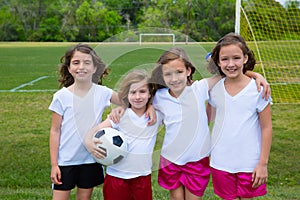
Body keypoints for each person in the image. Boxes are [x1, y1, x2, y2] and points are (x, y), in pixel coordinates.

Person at [149, 46, 270, 200]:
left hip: (197, 161)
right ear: (162, 76)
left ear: (188, 71)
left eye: (179, 72)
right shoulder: (159, 96)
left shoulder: (199, 88)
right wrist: (149, 107)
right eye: (168, 74)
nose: (174, 78)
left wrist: (256, 75)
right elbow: (136, 101)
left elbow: (231, 72)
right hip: (170, 159)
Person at [49, 43, 123, 200]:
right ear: (69, 68)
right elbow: (55, 131)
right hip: (66, 161)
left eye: (87, 62)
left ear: (95, 68)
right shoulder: (61, 97)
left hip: (91, 158)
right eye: (76, 62)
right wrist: (55, 164)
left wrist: (119, 109)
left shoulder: (103, 93)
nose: (81, 67)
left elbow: (129, 102)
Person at [207, 33, 273, 199]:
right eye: (225, 59)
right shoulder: (214, 89)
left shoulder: (258, 90)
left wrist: (262, 163)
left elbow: (267, 128)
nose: (231, 64)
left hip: (249, 163)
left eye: (236, 58)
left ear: (245, 58)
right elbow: (206, 119)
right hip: (220, 161)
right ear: (218, 61)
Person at [84, 69, 163, 200]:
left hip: (142, 176)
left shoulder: (156, 116)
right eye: (133, 92)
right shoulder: (120, 115)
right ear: (127, 94)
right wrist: (88, 142)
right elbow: (94, 131)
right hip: (116, 176)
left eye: (142, 91)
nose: (137, 97)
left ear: (150, 94)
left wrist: (152, 107)